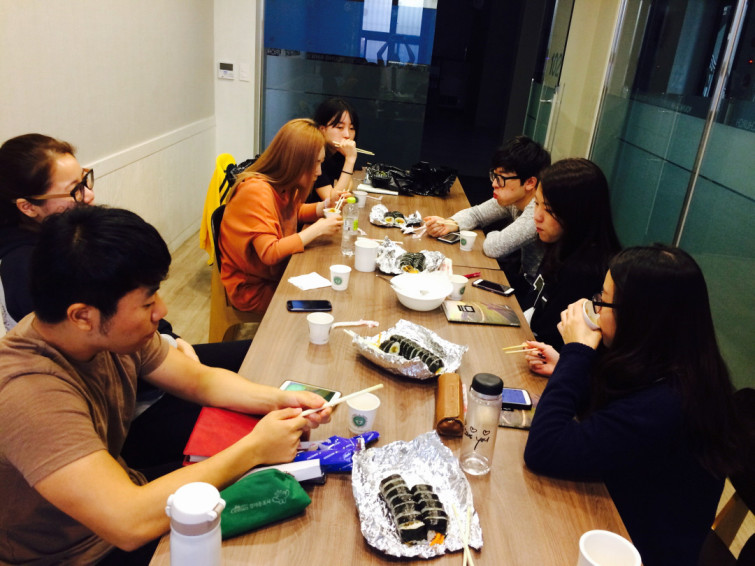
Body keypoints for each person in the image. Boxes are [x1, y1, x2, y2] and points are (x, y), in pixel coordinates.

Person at [0, 205, 331, 564]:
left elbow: (200, 380)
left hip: (129, 493)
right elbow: (128, 522)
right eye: (147, 303)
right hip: (80, 552)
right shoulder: (29, 393)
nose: (161, 310)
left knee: (294, 488)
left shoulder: (104, 334)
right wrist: (255, 448)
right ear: (83, 316)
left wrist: (281, 399)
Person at [0, 134, 251, 476]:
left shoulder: (120, 333)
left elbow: (197, 378)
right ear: (27, 207)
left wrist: (171, 343)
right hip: (137, 411)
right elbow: (123, 505)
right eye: (74, 190)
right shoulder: (38, 383)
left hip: (141, 381)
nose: (89, 196)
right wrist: (253, 449)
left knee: (245, 376)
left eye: (85, 180)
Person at [523, 245, 744, 566]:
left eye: (603, 300)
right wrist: (568, 369)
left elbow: (544, 449)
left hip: (634, 548)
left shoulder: (671, 401)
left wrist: (576, 353)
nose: (595, 308)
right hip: (620, 514)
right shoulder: (676, 362)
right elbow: (616, 416)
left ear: (641, 316)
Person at [219, 118, 342, 314]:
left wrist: (325, 206)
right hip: (253, 289)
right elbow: (269, 252)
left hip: (273, 274)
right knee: (326, 300)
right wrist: (317, 229)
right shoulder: (256, 190)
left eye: (321, 163)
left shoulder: (283, 185)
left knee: (329, 287)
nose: (319, 172)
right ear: (295, 162)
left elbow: (292, 212)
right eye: (315, 163)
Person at [423, 136, 551, 286]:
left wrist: (492, 234)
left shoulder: (536, 212)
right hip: (524, 278)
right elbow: (477, 214)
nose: (494, 184)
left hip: (536, 290)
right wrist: (451, 223)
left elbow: (494, 247)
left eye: (501, 179)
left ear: (529, 182)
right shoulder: (513, 199)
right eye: (494, 176)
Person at [525, 158, 621, 350]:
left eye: (549, 209)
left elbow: (550, 340)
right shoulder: (562, 245)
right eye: (536, 203)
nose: (537, 216)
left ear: (577, 214)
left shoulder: (584, 272)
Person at [308, 97, 360, 203]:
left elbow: (349, 185)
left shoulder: (338, 152)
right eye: (340, 127)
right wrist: (350, 160)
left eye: (351, 128)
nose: (347, 135)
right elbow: (333, 201)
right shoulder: (313, 154)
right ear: (322, 129)